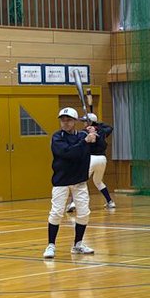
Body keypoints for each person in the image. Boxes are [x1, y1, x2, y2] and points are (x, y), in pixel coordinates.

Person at [43, 108, 95, 259]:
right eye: (63, 120)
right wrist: (85, 141)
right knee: (57, 212)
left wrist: (94, 130)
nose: (65, 123)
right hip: (62, 181)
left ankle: (78, 244)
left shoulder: (83, 135)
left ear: (75, 122)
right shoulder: (57, 137)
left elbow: (100, 143)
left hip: (79, 181)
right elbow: (68, 153)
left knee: (84, 213)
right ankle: (51, 245)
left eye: (69, 120)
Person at [69, 113, 115, 213]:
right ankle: (110, 202)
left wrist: (93, 127)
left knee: (79, 180)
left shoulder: (85, 131)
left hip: (91, 158)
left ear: (90, 122)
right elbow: (109, 128)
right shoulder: (102, 131)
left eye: (85, 121)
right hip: (102, 160)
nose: (84, 123)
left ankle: (73, 203)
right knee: (98, 181)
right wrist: (97, 126)